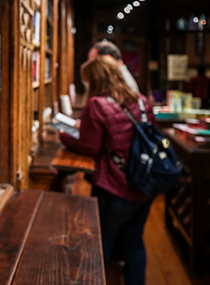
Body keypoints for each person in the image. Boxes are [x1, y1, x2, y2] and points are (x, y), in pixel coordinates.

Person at [59, 55, 156, 285]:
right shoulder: (141, 100)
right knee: (134, 240)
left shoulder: (97, 104)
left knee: (100, 246)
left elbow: (89, 147)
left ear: (94, 79)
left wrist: (63, 136)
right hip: (145, 183)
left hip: (115, 185)